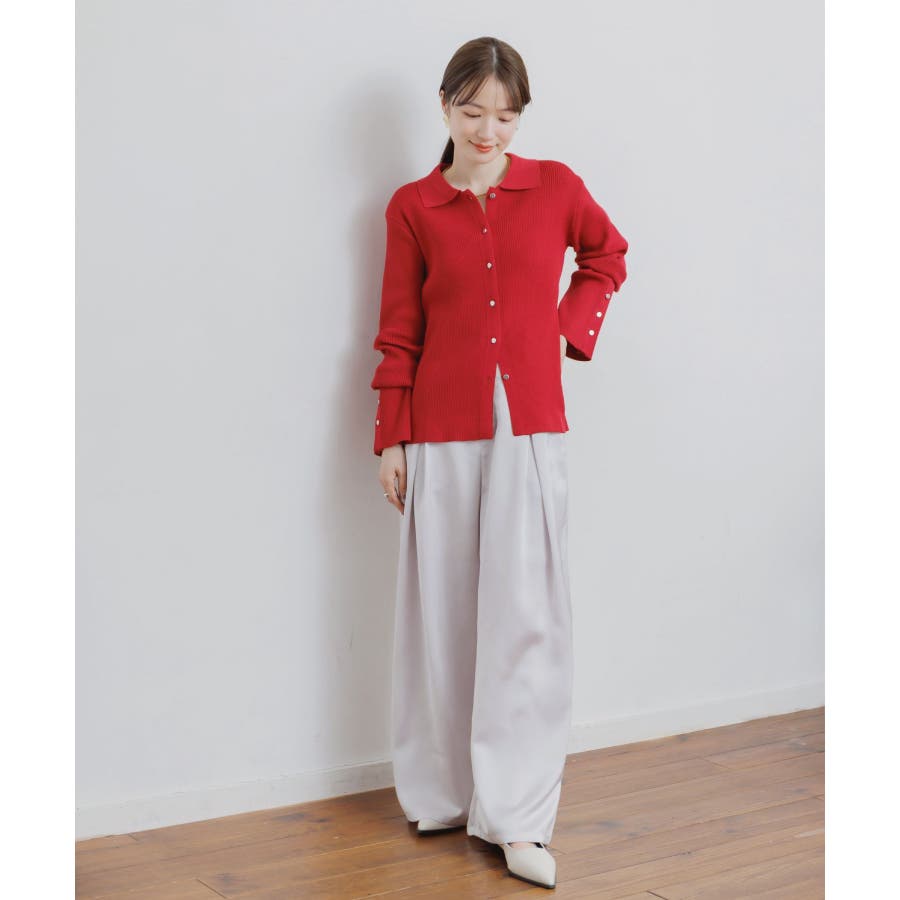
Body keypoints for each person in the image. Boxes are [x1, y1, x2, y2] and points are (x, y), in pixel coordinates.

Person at [369, 36, 628, 890]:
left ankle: (517, 815)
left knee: (525, 623)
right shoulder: (412, 207)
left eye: (506, 116)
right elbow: (399, 330)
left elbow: (608, 255)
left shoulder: (555, 188)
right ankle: (449, 794)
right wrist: (391, 437)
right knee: (444, 618)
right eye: (473, 112)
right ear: (445, 105)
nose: (489, 131)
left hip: (528, 432)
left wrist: (564, 330)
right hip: (440, 432)